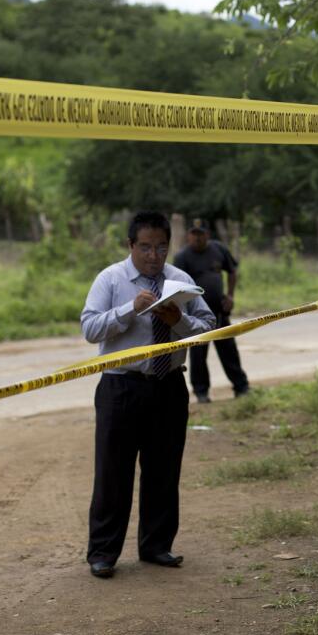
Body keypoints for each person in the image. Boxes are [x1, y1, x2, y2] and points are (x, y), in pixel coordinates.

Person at [80, 211, 215, 578]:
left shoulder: (181, 281)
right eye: (145, 247)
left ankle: (157, 546)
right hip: (121, 386)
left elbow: (207, 327)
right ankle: (103, 553)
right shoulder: (111, 279)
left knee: (163, 469)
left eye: (160, 247)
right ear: (130, 246)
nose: (154, 256)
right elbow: (90, 328)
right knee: (113, 471)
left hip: (169, 385)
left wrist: (179, 322)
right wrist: (129, 310)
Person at [172, 221, 250, 403]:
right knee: (198, 355)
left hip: (220, 311)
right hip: (196, 316)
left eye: (201, 234)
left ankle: (241, 387)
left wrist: (230, 296)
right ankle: (201, 392)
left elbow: (232, 271)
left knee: (229, 350)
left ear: (208, 235)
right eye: (194, 233)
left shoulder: (218, 249)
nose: (197, 238)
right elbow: (177, 287)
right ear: (188, 235)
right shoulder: (182, 257)